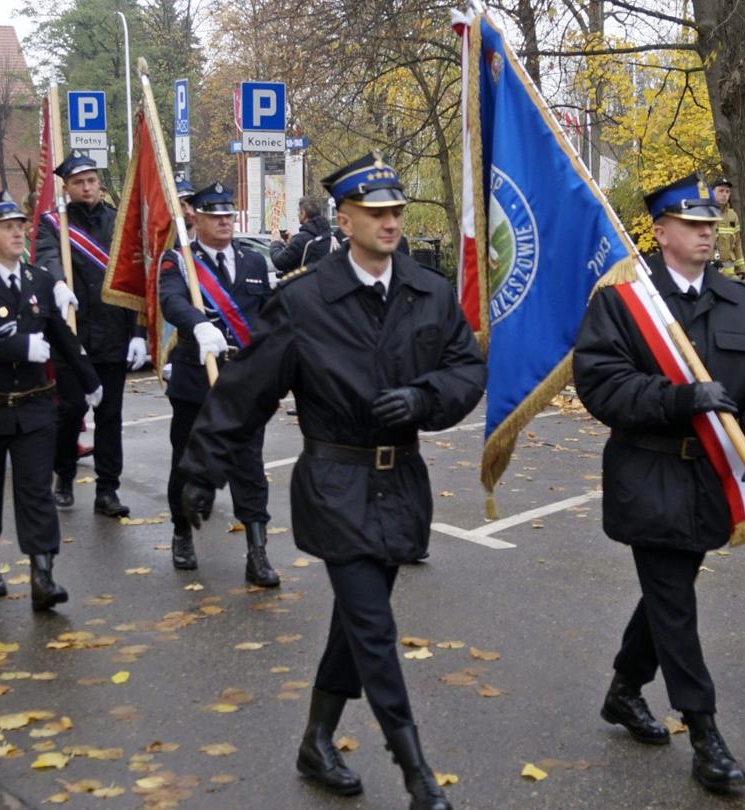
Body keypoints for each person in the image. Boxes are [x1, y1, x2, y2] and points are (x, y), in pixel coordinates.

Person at [177, 153, 483, 810]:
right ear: (344, 220)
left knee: (355, 620)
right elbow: (243, 392)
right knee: (373, 626)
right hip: (335, 484)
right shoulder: (304, 301)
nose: (390, 222)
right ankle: (417, 775)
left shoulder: (428, 291)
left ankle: (317, 739)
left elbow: (466, 370)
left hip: (401, 482)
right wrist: (200, 470)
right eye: (375, 213)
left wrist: (425, 398)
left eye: (397, 211)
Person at [573, 174, 745, 794]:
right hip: (650, 472)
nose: (706, 232)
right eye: (691, 224)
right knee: (675, 599)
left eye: (710, 224)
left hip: (714, 478)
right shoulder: (623, 304)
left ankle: (623, 689)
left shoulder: (744, 302)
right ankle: (705, 733)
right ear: (660, 232)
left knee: (669, 594)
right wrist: (678, 397)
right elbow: (602, 385)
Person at [0, 191, 101, 611]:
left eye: (20, 225)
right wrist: (17, 348)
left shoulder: (38, 281)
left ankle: (42, 573)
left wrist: (90, 381)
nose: (18, 232)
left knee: (35, 490)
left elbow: (62, 338)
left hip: (33, 405)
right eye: (6, 226)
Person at [158, 181, 281, 587]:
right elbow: (171, 301)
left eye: (229, 214)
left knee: (250, 466)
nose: (225, 221)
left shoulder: (252, 262)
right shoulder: (180, 262)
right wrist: (198, 324)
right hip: (197, 381)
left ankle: (257, 552)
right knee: (186, 462)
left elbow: (269, 316)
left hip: (244, 383)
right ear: (196, 217)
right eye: (215, 215)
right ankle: (182, 534)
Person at [33, 153, 150, 516]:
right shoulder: (55, 224)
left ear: (99, 183)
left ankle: (107, 489)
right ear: (66, 188)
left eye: (91, 180)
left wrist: (138, 332)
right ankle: (64, 475)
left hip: (114, 333)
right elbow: (47, 255)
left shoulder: (119, 223)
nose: (87, 187)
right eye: (78, 182)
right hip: (74, 337)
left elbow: (134, 278)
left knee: (110, 416)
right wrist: (56, 282)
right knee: (70, 412)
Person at [270, 196, 339, 273]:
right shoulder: (327, 236)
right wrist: (292, 241)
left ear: (303, 213)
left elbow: (280, 262)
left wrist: (275, 243)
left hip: (305, 283)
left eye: (298, 211)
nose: (297, 214)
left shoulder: (301, 239)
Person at [708, 178, 743, 278]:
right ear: (712, 192)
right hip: (708, 272)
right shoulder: (704, 213)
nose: (725, 194)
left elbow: (738, 244)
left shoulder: (733, 216)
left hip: (730, 275)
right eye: (721, 191)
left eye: (727, 191)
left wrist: (741, 269)